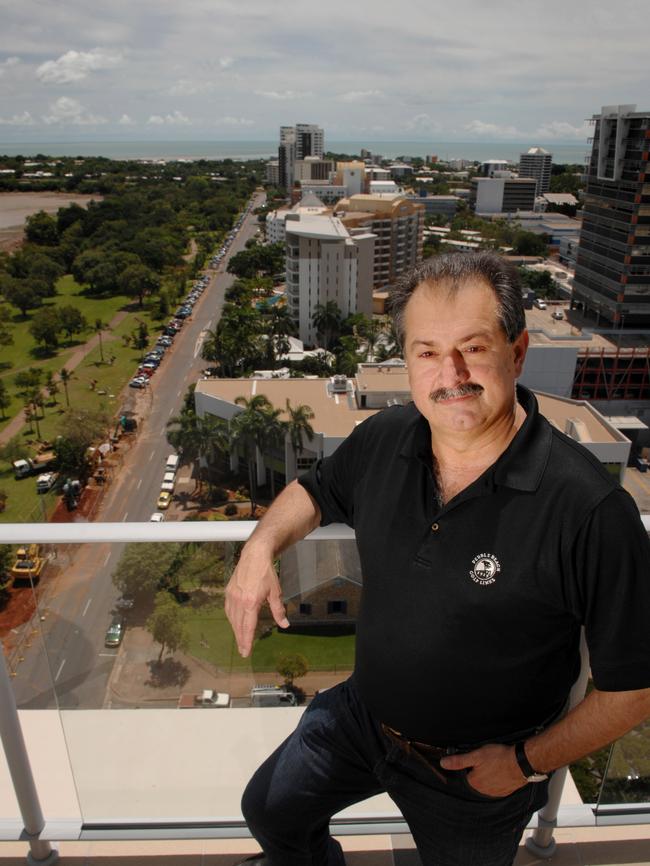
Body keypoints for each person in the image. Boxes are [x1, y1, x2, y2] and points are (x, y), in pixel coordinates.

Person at [225, 252, 650, 866]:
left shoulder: (587, 508)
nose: (450, 372)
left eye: (473, 348)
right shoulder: (385, 437)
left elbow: (634, 688)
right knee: (270, 810)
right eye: (427, 351)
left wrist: (523, 764)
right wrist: (259, 546)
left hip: (477, 778)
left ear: (518, 351)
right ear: (407, 363)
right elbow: (315, 492)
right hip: (360, 718)